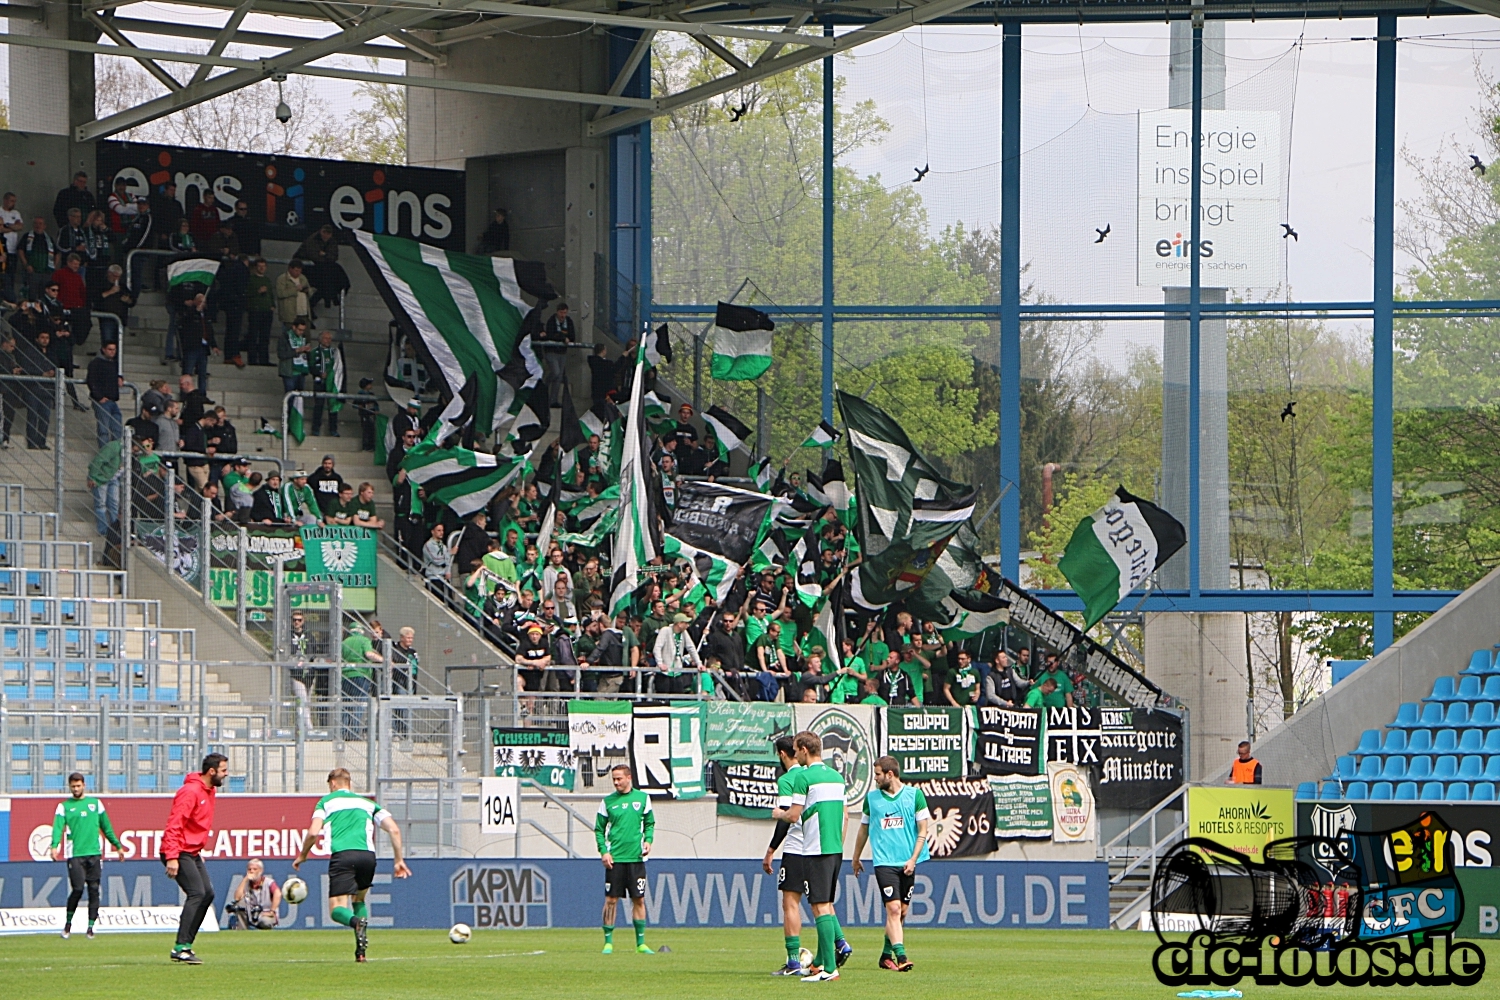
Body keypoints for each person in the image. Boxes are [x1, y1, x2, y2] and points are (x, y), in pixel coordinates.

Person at [293, 767, 411, 962]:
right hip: (368, 857)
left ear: (332, 784)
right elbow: (394, 830)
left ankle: (356, 923)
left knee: (336, 910)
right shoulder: (367, 803)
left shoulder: (326, 802)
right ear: (349, 783)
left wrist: (303, 855)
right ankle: (361, 952)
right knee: (359, 900)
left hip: (343, 856)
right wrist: (398, 860)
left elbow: (313, 832)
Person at [773, 731, 852, 981]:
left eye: (797, 750)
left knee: (819, 907)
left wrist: (778, 814)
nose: (795, 755)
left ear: (805, 750)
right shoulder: (837, 777)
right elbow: (845, 814)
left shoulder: (804, 777)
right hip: (835, 848)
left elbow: (794, 815)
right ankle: (822, 963)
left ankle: (829, 968)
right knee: (826, 905)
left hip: (815, 849)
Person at [851, 756, 931, 972]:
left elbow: (923, 830)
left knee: (902, 912)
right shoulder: (872, 799)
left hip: (908, 862)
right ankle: (901, 956)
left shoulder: (915, 796)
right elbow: (864, 830)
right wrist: (856, 857)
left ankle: (886, 955)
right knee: (894, 909)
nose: (875, 779)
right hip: (884, 862)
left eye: (877, 774)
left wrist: (913, 859)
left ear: (890, 774)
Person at [162, 753, 230, 964]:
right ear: (212, 772)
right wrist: (172, 856)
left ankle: (186, 946)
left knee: (207, 894)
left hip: (191, 851)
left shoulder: (209, 790)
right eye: (223, 771)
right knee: (197, 893)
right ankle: (180, 947)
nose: (226, 775)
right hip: (178, 850)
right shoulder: (190, 792)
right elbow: (175, 824)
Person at [50, 771, 125, 940]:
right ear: (69, 787)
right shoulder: (64, 806)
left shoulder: (95, 804)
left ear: (84, 785)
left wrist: (118, 846)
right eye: (73, 786)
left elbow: (106, 826)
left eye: (78, 786)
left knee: (93, 890)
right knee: (77, 889)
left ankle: (90, 927)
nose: (76, 789)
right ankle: (68, 924)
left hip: (94, 854)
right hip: (75, 854)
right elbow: (57, 828)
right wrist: (54, 846)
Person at [594, 763, 655, 955]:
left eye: (619, 778)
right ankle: (608, 942)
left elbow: (649, 823)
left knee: (639, 899)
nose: (616, 782)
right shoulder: (607, 802)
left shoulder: (643, 798)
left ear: (629, 778)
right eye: (614, 779)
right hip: (616, 859)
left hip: (636, 858)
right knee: (611, 899)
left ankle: (641, 943)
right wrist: (604, 851)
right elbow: (599, 829)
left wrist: (649, 841)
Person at [763, 735, 809, 976]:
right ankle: (838, 946)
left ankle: (793, 962)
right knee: (823, 905)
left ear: (782, 754)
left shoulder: (788, 779)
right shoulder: (814, 775)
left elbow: (786, 818)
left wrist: (770, 851)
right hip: (819, 848)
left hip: (795, 848)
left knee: (790, 904)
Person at [297, 224, 348, 313]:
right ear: (321, 231)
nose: (325, 235)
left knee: (328, 281)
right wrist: (327, 256)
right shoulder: (312, 240)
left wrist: (325, 255)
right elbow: (314, 256)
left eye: (328, 233)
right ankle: (330, 298)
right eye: (324, 232)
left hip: (322, 269)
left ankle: (328, 297)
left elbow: (334, 257)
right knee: (326, 282)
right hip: (307, 267)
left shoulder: (332, 241)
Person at [176, 291, 219, 395]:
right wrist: (195, 311)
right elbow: (183, 322)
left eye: (203, 302)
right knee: (188, 371)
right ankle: (184, 394)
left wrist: (214, 346)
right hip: (192, 346)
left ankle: (202, 394)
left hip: (203, 347)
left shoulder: (206, 316)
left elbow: (209, 331)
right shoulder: (189, 312)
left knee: (202, 373)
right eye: (199, 301)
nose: (201, 303)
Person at [651, 611, 702, 694]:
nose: (687, 625)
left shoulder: (684, 633)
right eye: (685, 623)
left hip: (677, 672)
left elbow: (691, 648)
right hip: (664, 672)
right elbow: (657, 648)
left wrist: (698, 663)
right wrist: (660, 663)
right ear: (679, 624)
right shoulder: (665, 631)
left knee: (678, 696)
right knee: (663, 697)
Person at [85, 340, 122, 447]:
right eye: (110, 349)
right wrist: (99, 397)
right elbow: (91, 381)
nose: (112, 352)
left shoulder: (114, 363)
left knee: (117, 430)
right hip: (102, 401)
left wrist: (120, 377)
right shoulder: (95, 363)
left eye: (114, 350)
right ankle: (104, 453)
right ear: (103, 349)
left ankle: (115, 453)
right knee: (104, 430)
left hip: (112, 400)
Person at [226, 858, 281, 930]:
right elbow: (237, 898)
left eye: (255, 869)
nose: (252, 871)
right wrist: (245, 879)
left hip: (265, 914)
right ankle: (242, 933)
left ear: (261, 871)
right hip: (250, 913)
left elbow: (278, 893)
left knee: (265, 922)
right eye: (249, 869)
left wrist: (272, 911)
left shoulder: (269, 882)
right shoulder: (246, 883)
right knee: (239, 904)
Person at [540, 302, 576, 406]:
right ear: (557, 312)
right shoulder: (551, 321)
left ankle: (553, 400)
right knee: (555, 372)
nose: (563, 315)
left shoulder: (569, 321)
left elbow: (573, 335)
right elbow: (550, 335)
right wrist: (562, 337)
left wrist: (566, 338)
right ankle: (544, 386)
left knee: (559, 376)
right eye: (561, 312)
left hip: (562, 352)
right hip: (551, 351)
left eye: (565, 313)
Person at [244, 257, 274, 366]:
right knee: (253, 335)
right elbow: (247, 294)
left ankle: (264, 359)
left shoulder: (267, 280)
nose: (262, 268)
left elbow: (270, 294)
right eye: (259, 266)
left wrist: (272, 305)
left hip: (267, 311)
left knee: (265, 337)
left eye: (263, 266)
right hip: (255, 310)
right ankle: (252, 359)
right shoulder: (251, 279)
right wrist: (258, 291)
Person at [276, 260, 312, 328]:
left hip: (304, 313)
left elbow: (309, 289)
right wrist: (295, 289)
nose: (298, 273)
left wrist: (308, 291)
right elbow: (280, 293)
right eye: (296, 270)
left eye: (300, 270)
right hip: (291, 315)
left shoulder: (303, 277)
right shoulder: (282, 279)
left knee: (306, 336)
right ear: (290, 269)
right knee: (291, 335)